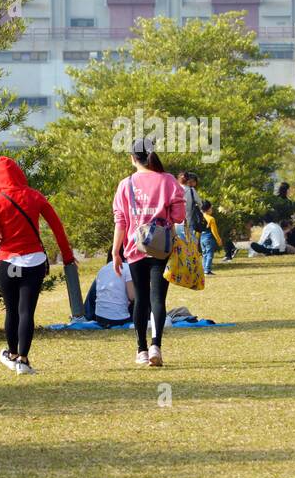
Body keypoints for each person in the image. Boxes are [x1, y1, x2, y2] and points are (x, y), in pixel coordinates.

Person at [0, 155, 75, 375]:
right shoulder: (34, 196)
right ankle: (23, 360)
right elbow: (57, 227)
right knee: (26, 310)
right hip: (33, 261)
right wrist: (67, 256)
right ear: (19, 173)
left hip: (9, 262)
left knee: (11, 310)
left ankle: (13, 353)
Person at [112, 137, 185, 367]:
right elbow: (179, 216)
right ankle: (156, 346)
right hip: (161, 248)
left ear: (132, 158)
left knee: (141, 299)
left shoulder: (126, 184)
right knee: (158, 299)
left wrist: (116, 251)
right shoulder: (168, 180)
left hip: (134, 248)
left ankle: (141, 350)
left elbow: (120, 220)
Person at [89, 248, 135, 326]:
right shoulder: (126, 268)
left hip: (100, 317)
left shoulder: (102, 270)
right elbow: (132, 297)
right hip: (119, 319)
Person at [199, 200, 224, 275]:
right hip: (209, 238)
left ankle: (204, 270)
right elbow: (214, 231)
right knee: (210, 254)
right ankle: (207, 270)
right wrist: (218, 239)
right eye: (211, 208)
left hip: (202, 238)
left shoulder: (200, 217)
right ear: (208, 209)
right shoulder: (211, 219)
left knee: (204, 254)